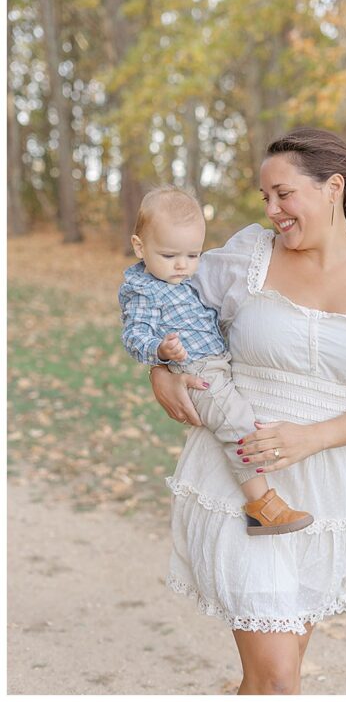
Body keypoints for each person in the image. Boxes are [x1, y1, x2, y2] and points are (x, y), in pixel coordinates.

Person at [149, 127, 346, 694]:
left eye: (283, 194)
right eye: (265, 198)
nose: (273, 210)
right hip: (241, 477)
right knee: (278, 677)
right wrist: (160, 372)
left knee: (269, 675)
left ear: (333, 188)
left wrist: (312, 438)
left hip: (328, 486)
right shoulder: (245, 259)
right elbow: (162, 303)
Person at [119, 186, 312, 535]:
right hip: (195, 371)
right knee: (237, 424)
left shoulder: (185, 278)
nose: (183, 265)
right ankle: (262, 507)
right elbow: (134, 335)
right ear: (139, 247)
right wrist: (160, 352)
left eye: (193, 255)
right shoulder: (143, 289)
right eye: (169, 255)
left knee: (240, 418)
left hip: (218, 363)